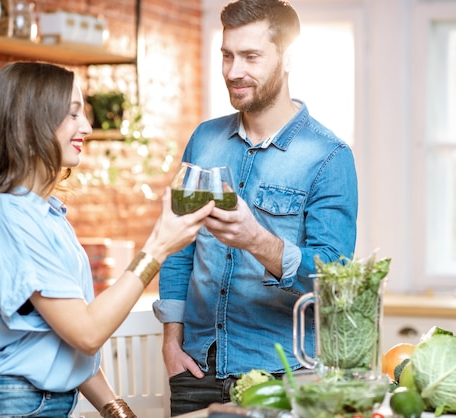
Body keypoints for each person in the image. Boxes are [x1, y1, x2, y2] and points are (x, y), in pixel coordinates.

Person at [0, 61, 214, 418]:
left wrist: (117, 410)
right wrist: (158, 247)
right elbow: (86, 332)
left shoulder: (44, 213)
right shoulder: (7, 216)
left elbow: (62, 338)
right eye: (73, 114)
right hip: (17, 405)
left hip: (39, 403)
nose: (86, 126)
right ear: (30, 124)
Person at [152, 0, 359, 415]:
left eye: (250, 56)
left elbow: (335, 280)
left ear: (288, 59)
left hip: (284, 376)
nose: (232, 71)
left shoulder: (329, 156)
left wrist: (257, 240)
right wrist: (172, 342)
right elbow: (179, 249)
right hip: (196, 371)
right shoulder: (204, 140)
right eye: (226, 55)